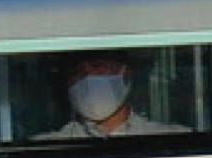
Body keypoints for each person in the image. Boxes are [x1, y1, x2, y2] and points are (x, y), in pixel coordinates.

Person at [34, 53, 186, 139]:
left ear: (125, 73)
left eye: (98, 66)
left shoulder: (175, 140)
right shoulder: (42, 148)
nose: (88, 76)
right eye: (78, 72)